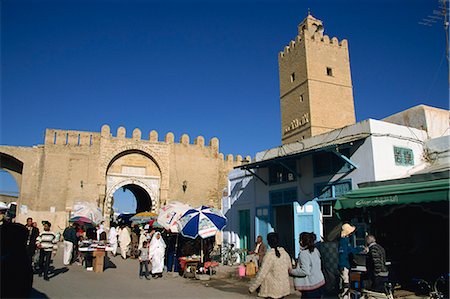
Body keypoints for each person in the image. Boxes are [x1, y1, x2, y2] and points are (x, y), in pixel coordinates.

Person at [248, 232, 292, 298]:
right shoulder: (284, 253)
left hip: (271, 290)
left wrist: (252, 287)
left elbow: (262, 274)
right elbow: (289, 268)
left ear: (268, 242)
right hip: (283, 289)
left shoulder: (269, 256)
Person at [290, 232, 326, 298]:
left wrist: (291, 271)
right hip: (319, 283)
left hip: (310, 287)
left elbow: (305, 271)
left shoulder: (303, 254)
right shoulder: (315, 250)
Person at [338, 223, 365, 299]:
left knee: (346, 282)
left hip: (345, 264)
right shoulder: (344, 241)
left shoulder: (343, 241)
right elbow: (350, 250)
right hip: (344, 265)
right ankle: (345, 296)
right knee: (346, 282)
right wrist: (361, 249)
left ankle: (347, 296)